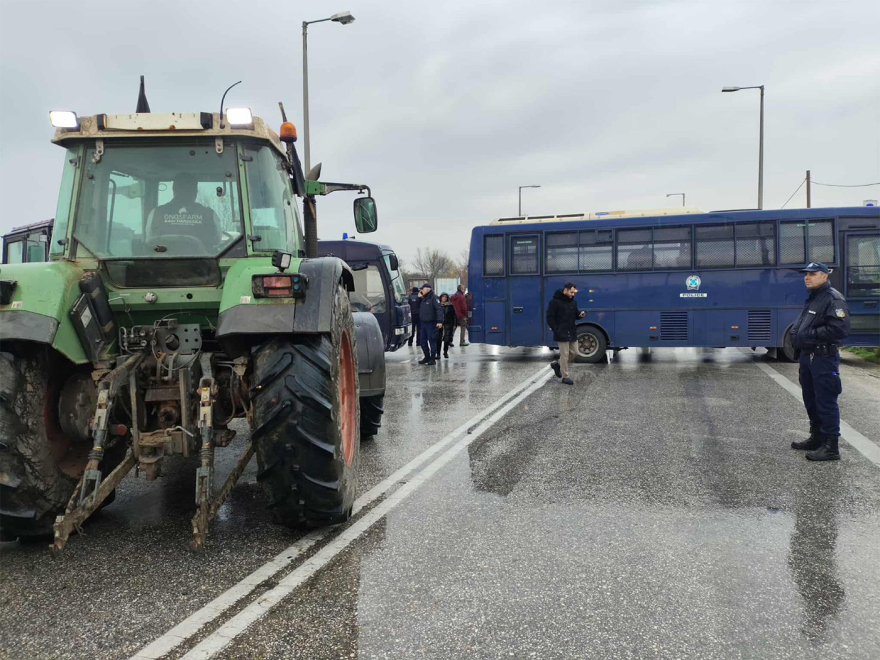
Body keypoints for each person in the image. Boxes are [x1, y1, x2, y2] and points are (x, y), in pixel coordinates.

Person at [788, 262, 850, 461]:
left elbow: (839, 329)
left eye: (812, 274)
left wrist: (810, 334)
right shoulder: (814, 298)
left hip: (824, 358)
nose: (807, 277)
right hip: (809, 357)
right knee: (811, 399)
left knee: (826, 400)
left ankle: (831, 447)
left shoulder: (833, 299)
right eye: (806, 274)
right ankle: (817, 438)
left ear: (824, 276)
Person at [147, 173, 219, 250]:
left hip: (162, 257)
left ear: (174, 191)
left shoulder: (156, 213)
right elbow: (217, 241)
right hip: (203, 258)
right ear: (195, 192)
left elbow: (149, 241)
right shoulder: (210, 214)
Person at [546, 282, 586, 385]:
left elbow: (576, 315)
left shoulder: (573, 302)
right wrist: (556, 329)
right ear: (565, 290)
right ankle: (565, 377)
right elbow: (550, 317)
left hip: (571, 331)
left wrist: (580, 314)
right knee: (565, 355)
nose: (573, 294)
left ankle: (557, 364)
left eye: (574, 292)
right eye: (571, 292)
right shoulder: (554, 302)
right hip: (561, 332)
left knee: (575, 352)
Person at [417, 283, 443, 365]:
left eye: (422, 289)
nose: (421, 290)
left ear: (427, 290)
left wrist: (439, 321)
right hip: (423, 323)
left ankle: (432, 358)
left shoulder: (434, 298)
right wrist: (419, 298)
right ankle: (427, 357)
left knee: (432, 340)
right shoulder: (423, 298)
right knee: (422, 341)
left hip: (432, 323)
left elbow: (439, 309)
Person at [438, 293, 457, 359]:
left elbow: (454, 315)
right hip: (439, 323)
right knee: (438, 338)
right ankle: (438, 353)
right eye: (443, 297)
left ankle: (445, 352)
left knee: (447, 338)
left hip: (448, 323)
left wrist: (455, 324)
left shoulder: (450, 306)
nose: (444, 298)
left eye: (445, 297)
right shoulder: (438, 305)